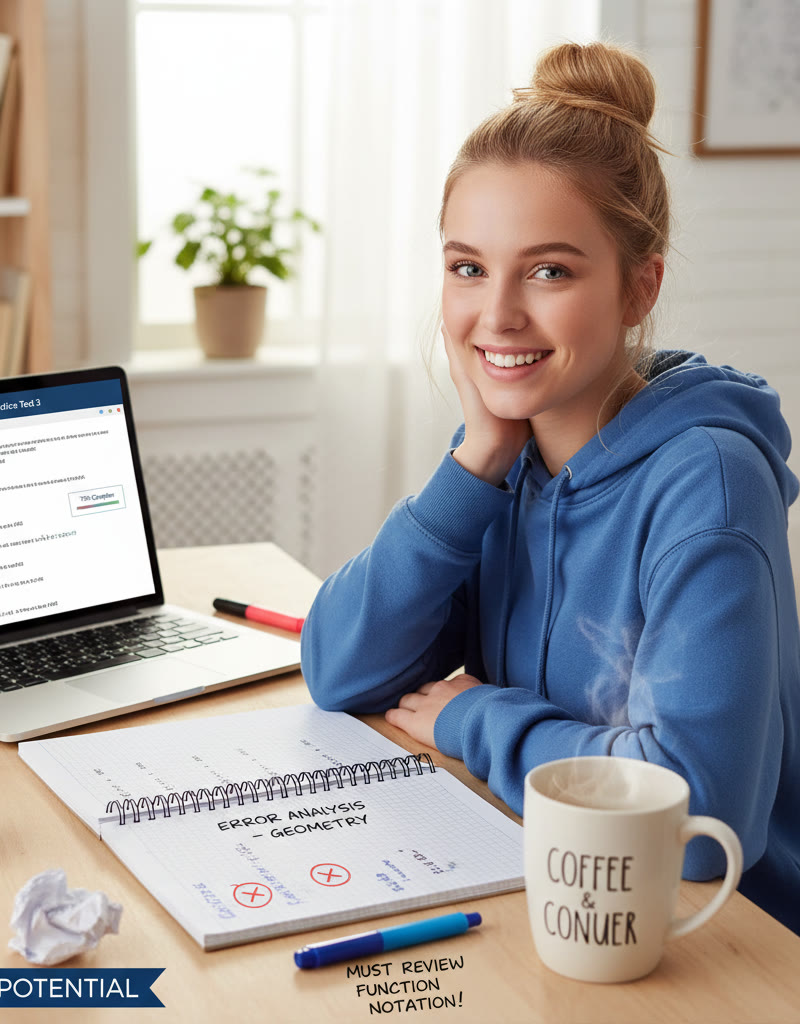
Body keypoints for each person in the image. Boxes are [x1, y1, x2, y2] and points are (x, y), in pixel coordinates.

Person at [301, 40, 800, 935]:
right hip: (548, 880)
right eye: (468, 267)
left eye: (550, 270)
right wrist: (477, 462)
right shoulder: (506, 457)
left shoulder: (708, 487)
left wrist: (477, 716)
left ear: (638, 287)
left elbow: (692, 820)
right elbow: (342, 670)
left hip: (716, 936)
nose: (496, 315)